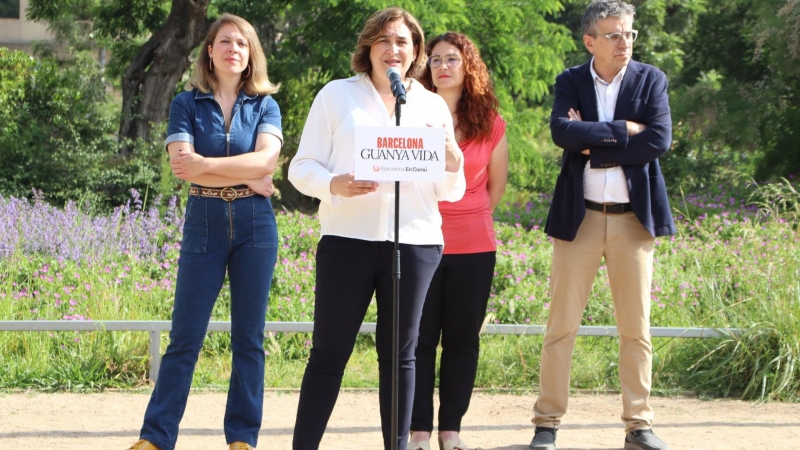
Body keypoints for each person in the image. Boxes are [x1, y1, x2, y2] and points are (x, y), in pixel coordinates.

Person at [287, 7, 466, 450]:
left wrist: (454, 162)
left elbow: (451, 191)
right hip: (348, 240)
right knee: (329, 352)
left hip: (416, 243)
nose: (393, 48)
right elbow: (300, 166)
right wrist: (335, 184)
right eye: (384, 40)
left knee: (401, 357)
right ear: (368, 48)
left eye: (403, 41)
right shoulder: (335, 96)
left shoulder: (430, 105)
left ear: (415, 53)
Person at [128, 14, 283, 450]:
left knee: (248, 340)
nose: (234, 48)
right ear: (209, 52)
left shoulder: (266, 105)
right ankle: (155, 438)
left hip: (256, 225)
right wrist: (245, 174)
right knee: (185, 337)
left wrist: (211, 167)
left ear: (251, 54)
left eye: (242, 43)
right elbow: (182, 167)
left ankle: (242, 439)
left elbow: (266, 164)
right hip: (204, 221)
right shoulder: (185, 103)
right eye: (225, 42)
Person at [529, 1, 675, 450]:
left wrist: (596, 139)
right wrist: (622, 129)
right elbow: (561, 133)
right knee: (561, 328)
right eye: (613, 35)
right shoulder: (570, 80)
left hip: (634, 222)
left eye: (629, 34)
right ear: (590, 40)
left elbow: (658, 139)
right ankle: (547, 424)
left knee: (636, 330)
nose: (624, 43)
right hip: (581, 218)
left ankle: (639, 426)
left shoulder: (651, 79)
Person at [409, 32, 508, 450]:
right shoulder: (412, 115)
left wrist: (465, 215)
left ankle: (451, 430)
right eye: (435, 60)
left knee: (463, 341)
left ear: (468, 66)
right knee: (419, 341)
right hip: (420, 241)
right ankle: (418, 432)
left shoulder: (491, 121)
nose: (443, 66)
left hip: (475, 246)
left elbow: (496, 188)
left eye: (452, 58)